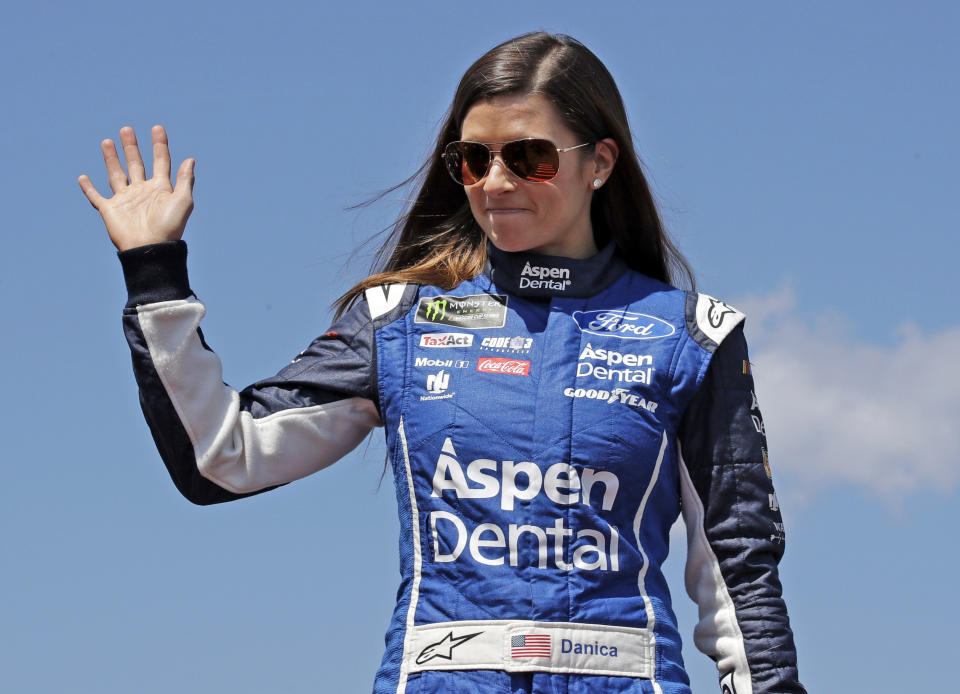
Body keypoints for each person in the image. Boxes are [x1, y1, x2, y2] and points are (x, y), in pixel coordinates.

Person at [79, 32, 804, 694]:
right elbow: (221, 457)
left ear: (600, 163)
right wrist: (153, 271)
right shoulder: (400, 321)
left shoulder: (691, 336)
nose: (495, 182)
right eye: (472, 159)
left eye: (529, 157)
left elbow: (738, 569)